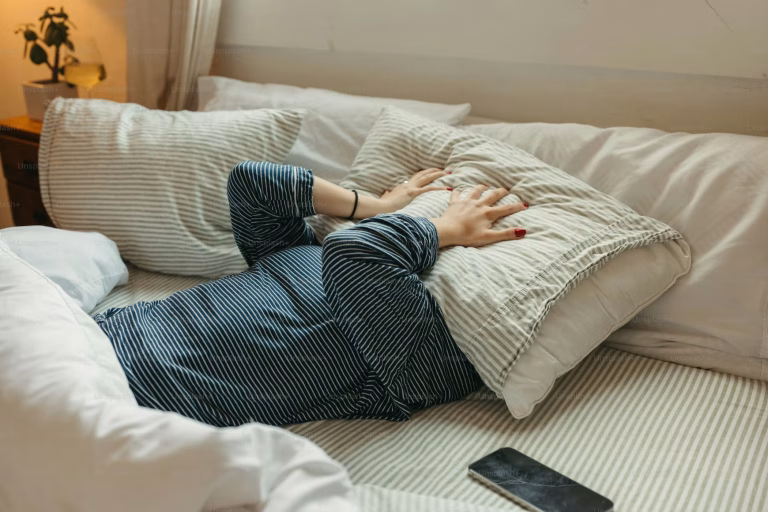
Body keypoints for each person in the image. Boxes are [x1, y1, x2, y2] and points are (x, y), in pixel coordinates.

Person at [94, 161, 528, 427]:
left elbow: (354, 250)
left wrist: (446, 229)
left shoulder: (426, 362)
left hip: (128, 401)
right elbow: (252, 183)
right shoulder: (305, 254)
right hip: (93, 340)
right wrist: (376, 207)